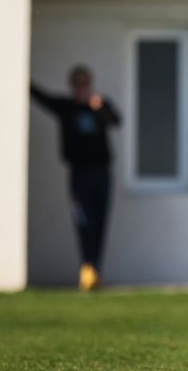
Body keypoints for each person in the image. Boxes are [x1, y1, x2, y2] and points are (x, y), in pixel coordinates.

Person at [30, 65, 121, 291]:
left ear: (90, 84)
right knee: (83, 222)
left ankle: (95, 270)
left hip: (101, 173)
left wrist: (99, 109)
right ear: (72, 86)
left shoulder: (100, 105)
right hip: (79, 175)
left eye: (85, 83)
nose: (81, 88)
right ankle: (87, 268)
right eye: (77, 84)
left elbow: (116, 121)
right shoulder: (66, 108)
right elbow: (41, 97)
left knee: (100, 222)